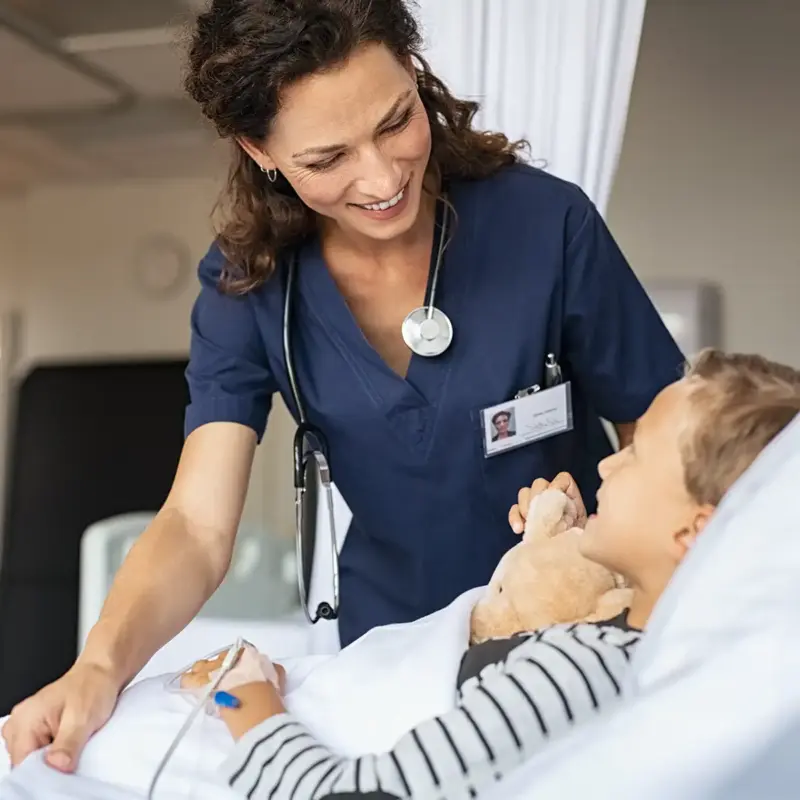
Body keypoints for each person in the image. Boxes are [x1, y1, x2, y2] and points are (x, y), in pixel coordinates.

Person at [1, 0, 683, 772]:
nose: (383, 176)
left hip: (571, 632)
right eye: (327, 160)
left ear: (416, 76)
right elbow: (195, 525)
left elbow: (669, 441)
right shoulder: (247, 288)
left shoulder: (545, 225)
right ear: (260, 150)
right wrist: (98, 666)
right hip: (390, 652)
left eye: (396, 121)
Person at [180, 350, 800, 800]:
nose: (608, 464)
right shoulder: (616, 630)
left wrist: (246, 698)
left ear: (695, 534)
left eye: (637, 456)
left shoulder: (588, 669)